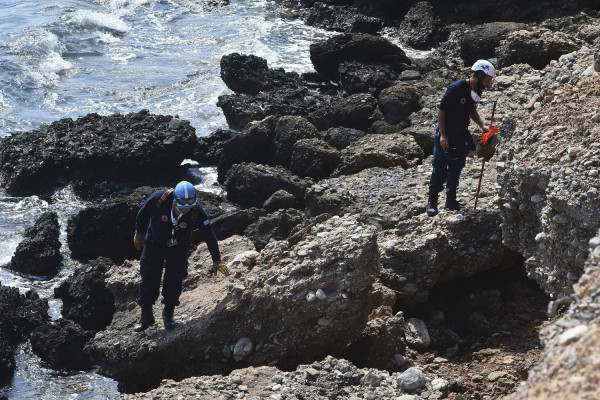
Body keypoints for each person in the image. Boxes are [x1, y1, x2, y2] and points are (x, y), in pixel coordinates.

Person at [132, 180, 230, 331]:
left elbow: (209, 234)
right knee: (149, 276)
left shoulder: (196, 211)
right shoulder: (159, 198)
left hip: (178, 247)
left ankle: (168, 314)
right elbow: (142, 212)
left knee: (174, 278)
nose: (185, 211)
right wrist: (139, 233)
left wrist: (216, 259)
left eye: (188, 208)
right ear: (175, 200)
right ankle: (146, 316)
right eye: (181, 208)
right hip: (154, 243)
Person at [426, 59, 495, 217]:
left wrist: (483, 126)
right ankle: (432, 202)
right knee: (440, 167)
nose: (488, 83)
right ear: (478, 75)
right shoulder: (456, 88)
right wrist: (443, 134)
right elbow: (442, 110)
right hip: (446, 130)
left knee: (456, 167)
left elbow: (472, 110)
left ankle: (451, 201)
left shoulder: (477, 89)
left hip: (461, 132)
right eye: (487, 79)